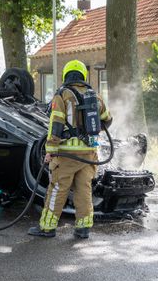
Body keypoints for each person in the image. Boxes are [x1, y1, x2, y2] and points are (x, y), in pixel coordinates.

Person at [29, 60, 112, 240]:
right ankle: (83, 229)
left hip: (66, 155)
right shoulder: (95, 96)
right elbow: (107, 120)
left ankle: (47, 227)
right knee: (84, 190)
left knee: (57, 190)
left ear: (66, 75)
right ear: (83, 75)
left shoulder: (62, 96)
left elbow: (56, 125)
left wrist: (49, 151)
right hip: (89, 154)